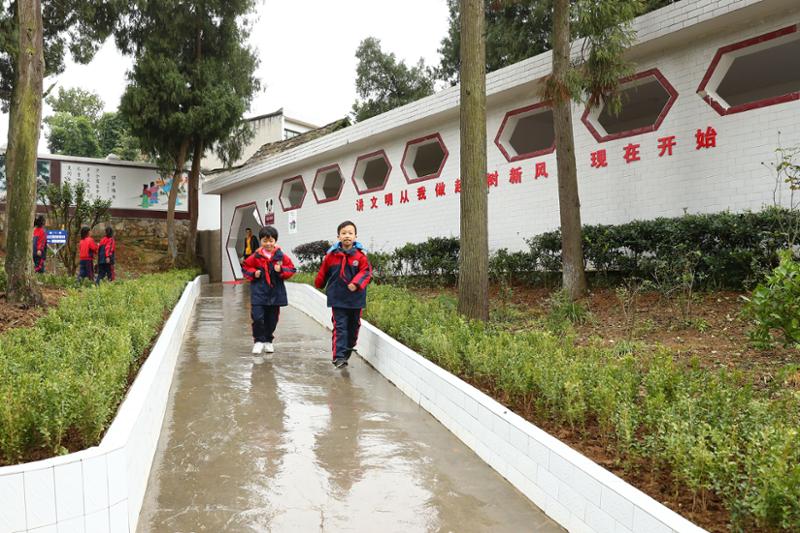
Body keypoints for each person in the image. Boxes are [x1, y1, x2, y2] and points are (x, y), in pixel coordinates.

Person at [315, 220, 372, 369]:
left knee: (353, 327)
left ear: (355, 236)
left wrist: (356, 283)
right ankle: (339, 357)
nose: (347, 236)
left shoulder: (360, 257)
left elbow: (366, 272)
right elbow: (323, 272)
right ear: (338, 237)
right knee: (340, 327)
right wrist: (319, 283)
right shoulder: (331, 256)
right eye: (344, 233)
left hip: (355, 299)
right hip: (338, 298)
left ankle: (347, 349)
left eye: (350, 233)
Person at [241, 226, 296, 356]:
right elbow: (245, 267)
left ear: (275, 241)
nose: (268, 244)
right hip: (259, 293)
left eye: (271, 241)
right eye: (265, 241)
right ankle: (258, 341)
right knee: (257, 317)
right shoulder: (255, 256)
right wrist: (254, 273)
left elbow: (291, 269)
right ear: (260, 241)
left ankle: (268, 340)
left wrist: (281, 270)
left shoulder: (280, 256)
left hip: (275, 294)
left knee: (272, 320)